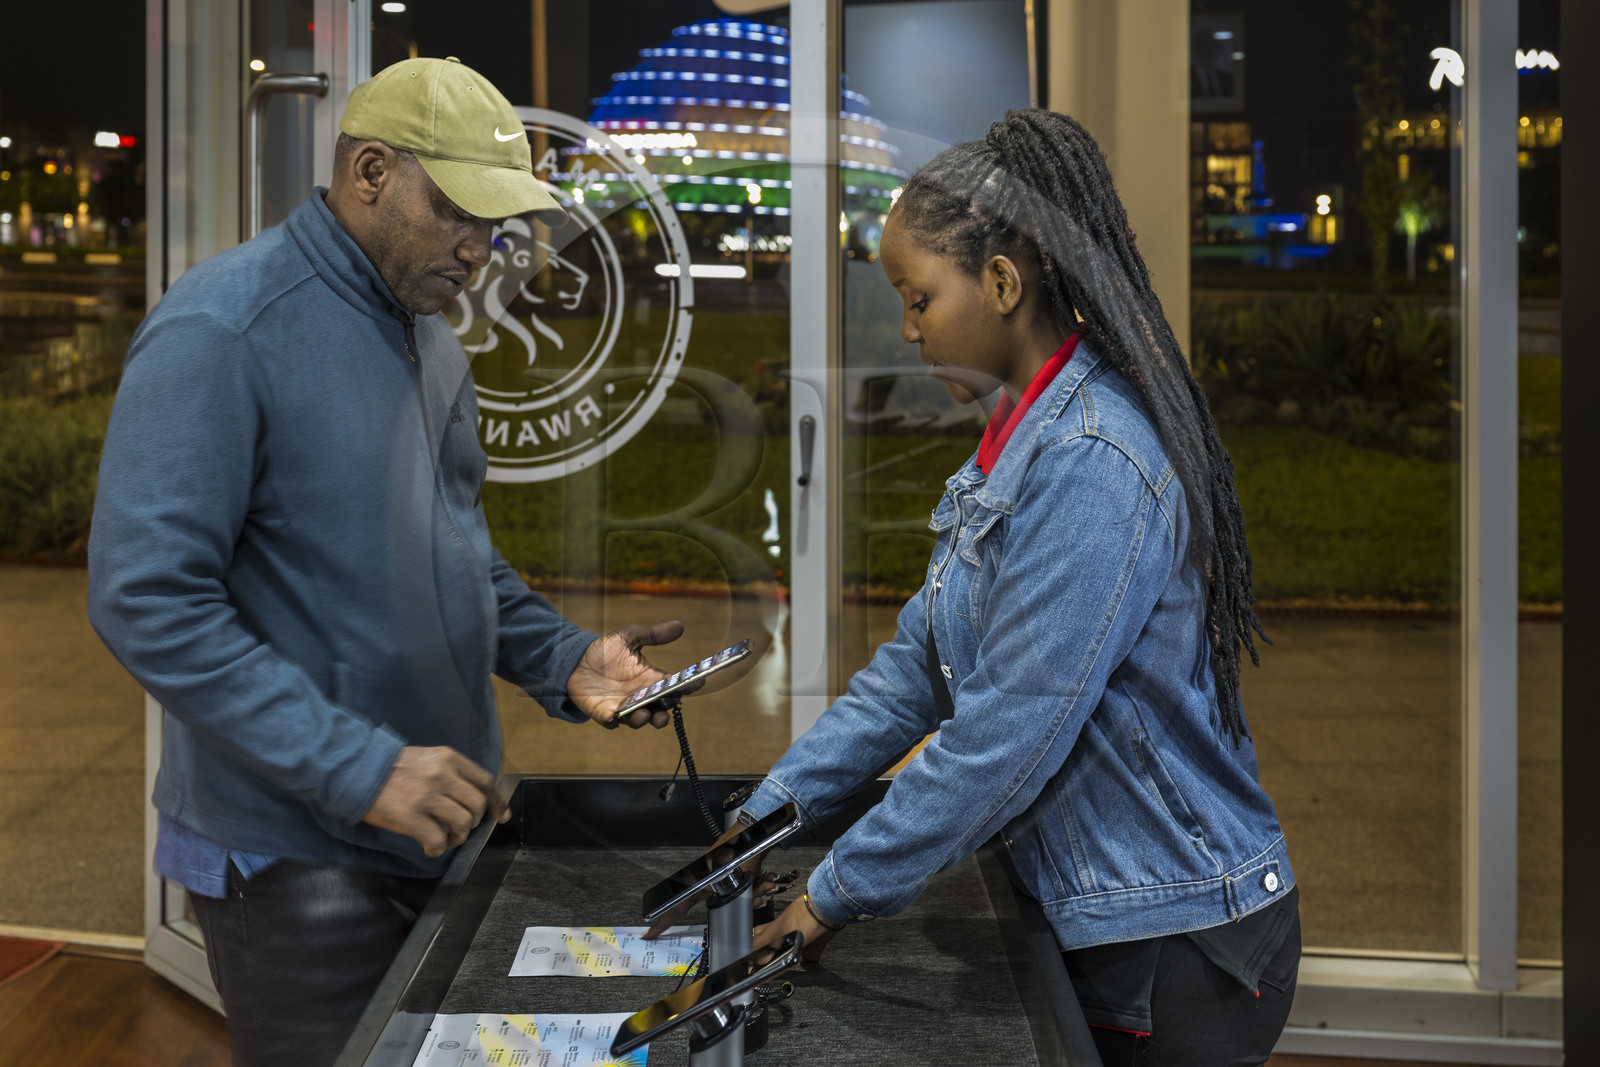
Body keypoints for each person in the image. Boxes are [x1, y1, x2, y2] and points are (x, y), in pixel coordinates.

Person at [87, 57, 680, 1065]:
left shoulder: (427, 332)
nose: (482, 246)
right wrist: (357, 765)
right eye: (459, 211)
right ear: (369, 171)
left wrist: (560, 657)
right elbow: (146, 598)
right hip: (289, 860)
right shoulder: (224, 327)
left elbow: (452, 547)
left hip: (430, 822)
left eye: (495, 222)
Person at [742, 109, 1299, 1065]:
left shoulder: (1091, 457)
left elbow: (1002, 738)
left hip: (1173, 943)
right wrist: (760, 816)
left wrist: (818, 905)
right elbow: (920, 660)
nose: (911, 330)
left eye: (919, 300)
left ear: (1001, 281)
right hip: (1112, 920)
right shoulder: (1023, 435)